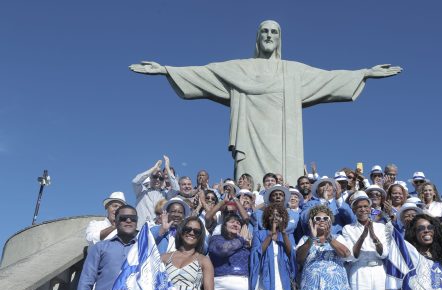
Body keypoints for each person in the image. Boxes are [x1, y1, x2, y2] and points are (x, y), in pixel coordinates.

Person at [130, 20, 402, 185]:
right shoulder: (240, 69)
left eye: (274, 32)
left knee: (288, 182)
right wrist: (166, 69)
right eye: (264, 32)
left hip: (285, 144)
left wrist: (364, 73)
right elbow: (205, 73)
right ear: (258, 39)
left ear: (279, 39)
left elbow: (328, 79)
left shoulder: (293, 71)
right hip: (250, 138)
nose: (269, 36)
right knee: (250, 183)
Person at [132, 156, 179, 228]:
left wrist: (167, 168)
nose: (157, 179)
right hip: (140, 230)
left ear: (163, 180)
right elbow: (135, 181)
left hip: (158, 231)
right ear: (150, 178)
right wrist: (153, 169)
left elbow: (176, 189)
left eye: (161, 178)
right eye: (155, 177)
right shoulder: (141, 191)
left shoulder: (166, 194)